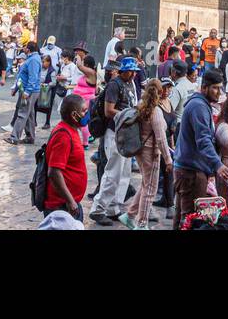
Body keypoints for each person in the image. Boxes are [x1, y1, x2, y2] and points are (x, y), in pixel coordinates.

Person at [172, 68, 228, 224]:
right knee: (191, 219)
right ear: (204, 87)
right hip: (191, 172)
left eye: (220, 88)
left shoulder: (202, 104)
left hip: (190, 169)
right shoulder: (199, 106)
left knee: (183, 217)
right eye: (215, 88)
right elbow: (203, 140)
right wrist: (217, 165)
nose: (219, 92)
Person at [90, 56, 140, 224]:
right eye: (130, 71)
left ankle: (114, 207)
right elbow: (108, 110)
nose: (133, 74)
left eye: (134, 71)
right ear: (123, 71)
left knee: (125, 173)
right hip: (115, 132)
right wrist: (127, 115)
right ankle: (98, 208)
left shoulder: (130, 83)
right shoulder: (114, 85)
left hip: (127, 132)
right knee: (112, 172)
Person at [118, 79, 174, 229]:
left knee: (145, 185)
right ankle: (142, 223)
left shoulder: (141, 107)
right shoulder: (155, 111)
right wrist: (168, 159)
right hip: (151, 153)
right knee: (150, 190)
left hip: (141, 151)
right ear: (160, 92)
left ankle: (129, 215)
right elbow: (161, 138)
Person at [43, 94, 88, 223]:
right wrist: (70, 201)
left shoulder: (72, 130)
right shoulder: (63, 135)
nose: (87, 114)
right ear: (74, 115)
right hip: (62, 205)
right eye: (84, 111)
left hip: (69, 203)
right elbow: (54, 172)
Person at [6, 41, 41, 145]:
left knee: (22, 113)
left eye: (25, 47)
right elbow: (23, 76)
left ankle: (14, 137)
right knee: (29, 114)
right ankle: (30, 137)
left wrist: (27, 91)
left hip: (29, 91)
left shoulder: (33, 60)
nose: (23, 48)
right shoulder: (32, 59)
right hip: (26, 89)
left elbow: (33, 77)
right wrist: (16, 88)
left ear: (28, 49)